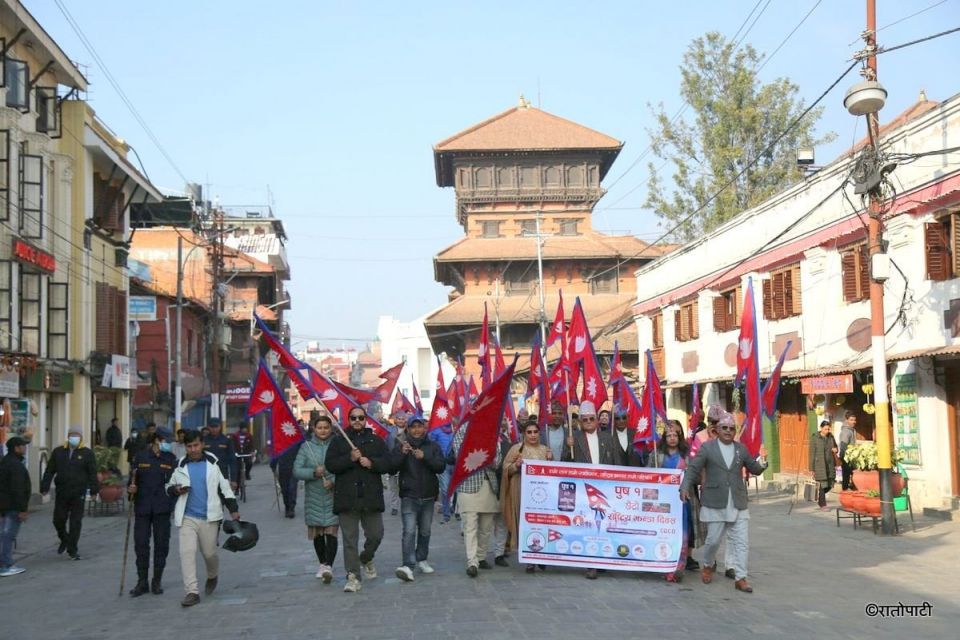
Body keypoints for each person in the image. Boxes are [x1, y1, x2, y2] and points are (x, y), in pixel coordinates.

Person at [680, 412, 768, 594]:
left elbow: (755, 469)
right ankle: (707, 565)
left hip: (737, 502)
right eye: (724, 428)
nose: (728, 431)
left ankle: (741, 577)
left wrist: (763, 459)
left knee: (742, 543)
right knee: (712, 541)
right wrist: (684, 486)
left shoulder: (741, 449)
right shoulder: (707, 448)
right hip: (715, 501)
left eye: (731, 428)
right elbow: (693, 468)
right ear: (717, 430)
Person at [166, 430, 240, 607]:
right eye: (189, 446)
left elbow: (224, 488)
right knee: (187, 553)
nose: (193, 449)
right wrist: (175, 490)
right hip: (187, 517)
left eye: (196, 445)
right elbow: (168, 486)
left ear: (202, 444)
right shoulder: (179, 465)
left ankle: (212, 575)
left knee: (209, 553)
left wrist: (233, 509)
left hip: (210, 517)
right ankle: (192, 591)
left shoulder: (213, 463)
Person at [325, 407, 391, 593]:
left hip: (370, 497)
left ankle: (366, 557)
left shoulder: (376, 441)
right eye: (353, 417)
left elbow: (388, 463)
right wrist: (349, 458)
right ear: (348, 419)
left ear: (366, 419)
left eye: (360, 417)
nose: (357, 420)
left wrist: (372, 463)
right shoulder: (339, 441)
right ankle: (353, 575)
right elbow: (331, 464)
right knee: (349, 539)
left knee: (376, 534)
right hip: (347, 498)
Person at [561, 400, 615, 579]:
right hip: (583, 490)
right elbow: (564, 463)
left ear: (597, 420)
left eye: (592, 418)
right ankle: (590, 563)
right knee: (587, 526)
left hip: (604, 489)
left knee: (603, 525)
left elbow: (616, 464)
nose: (589, 422)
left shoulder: (608, 438)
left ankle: (601, 559)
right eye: (585, 420)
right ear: (581, 422)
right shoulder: (573, 438)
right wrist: (568, 449)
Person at [390, 414, 445, 582]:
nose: (416, 430)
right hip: (409, 494)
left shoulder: (433, 446)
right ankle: (408, 564)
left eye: (419, 426)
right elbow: (391, 468)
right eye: (413, 427)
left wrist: (425, 457)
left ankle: (422, 558)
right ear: (408, 429)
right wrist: (401, 454)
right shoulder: (400, 445)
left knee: (425, 530)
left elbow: (440, 467)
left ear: (424, 428)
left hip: (428, 495)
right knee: (409, 531)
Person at [127, 427, 178, 596]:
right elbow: (132, 481)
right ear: (157, 440)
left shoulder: (170, 459)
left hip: (162, 509)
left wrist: (172, 504)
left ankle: (157, 580)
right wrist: (131, 489)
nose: (169, 444)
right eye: (167, 441)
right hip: (142, 508)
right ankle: (142, 582)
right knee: (141, 545)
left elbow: (174, 484)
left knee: (161, 545)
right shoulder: (141, 457)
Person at [450, 414, 502, 578]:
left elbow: (497, 460)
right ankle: (472, 562)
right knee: (470, 526)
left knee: (486, 527)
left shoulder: (493, 432)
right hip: (468, 485)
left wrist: (484, 456)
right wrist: (483, 455)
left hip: (489, 484)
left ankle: (481, 556)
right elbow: (463, 458)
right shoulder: (462, 431)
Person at [648, 420, 699, 578]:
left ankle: (678, 567)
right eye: (668, 435)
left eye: (674, 435)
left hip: (682, 503)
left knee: (682, 534)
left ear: (679, 437)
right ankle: (663, 563)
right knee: (664, 533)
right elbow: (647, 475)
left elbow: (695, 476)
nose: (671, 438)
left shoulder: (687, 455)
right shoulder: (656, 454)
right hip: (662, 504)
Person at [500, 419, 552, 573]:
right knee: (527, 525)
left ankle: (541, 557)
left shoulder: (545, 450)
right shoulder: (517, 449)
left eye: (535, 432)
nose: (533, 435)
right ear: (524, 434)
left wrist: (551, 460)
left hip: (543, 496)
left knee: (543, 524)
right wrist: (516, 466)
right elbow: (505, 468)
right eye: (529, 432)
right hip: (522, 493)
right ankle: (530, 560)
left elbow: (552, 473)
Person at [39, 427, 98, 560]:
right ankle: (64, 539)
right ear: (68, 436)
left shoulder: (87, 453)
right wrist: (45, 486)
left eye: (77, 435)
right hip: (62, 491)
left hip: (79, 492)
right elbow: (49, 470)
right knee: (58, 520)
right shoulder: (59, 452)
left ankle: (72, 549)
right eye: (72, 435)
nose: (74, 437)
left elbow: (92, 473)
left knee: (75, 522)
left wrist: (94, 490)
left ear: (81, 437)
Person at [293, 416, 338, 583]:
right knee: (318, 532)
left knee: (332, 531)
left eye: (326, 427)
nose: (323, 430)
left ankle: (329, 566)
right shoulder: (306, 447)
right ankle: (322, 563)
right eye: (320, 427)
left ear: (331, 428)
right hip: (314, 496)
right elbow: (297, 470)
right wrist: (313, 473)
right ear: (313, 428)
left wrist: (333, 481)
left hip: (333, 495)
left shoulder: (337, 445)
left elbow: (343, 467)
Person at [0, 436, 30, 577]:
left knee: (4, 535)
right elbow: (18, 488)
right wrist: (22, 509)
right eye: (23, 446)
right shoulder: (15, 465)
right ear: (16, 448)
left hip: (5, 505)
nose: (25, 448)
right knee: (8, 535)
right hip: (12, 506)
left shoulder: (5, 462)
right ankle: (5, 565)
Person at [428, 418, 455, 523]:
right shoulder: (436, 430)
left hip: (456, 463)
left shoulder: (456, 429)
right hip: (444, 463)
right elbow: (431, 445)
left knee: (456, 489)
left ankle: (455, 509)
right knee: (445, 489)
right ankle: (446, 512)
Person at [810, 420, 839, 511]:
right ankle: (823, 504)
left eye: (828, 429)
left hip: (830, 464)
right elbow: (811, 453)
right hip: (819, 464)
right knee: (822, 484)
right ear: (821, 428)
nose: (827, 431)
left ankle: (819, 497)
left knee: (830, 484)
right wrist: (811, 468)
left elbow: (835, 447)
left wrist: (836, 449)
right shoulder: (815, 438)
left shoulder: (831, 437)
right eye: (825, 429)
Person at [203, 418, 238, 491]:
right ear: (208, 427)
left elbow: (232, 461)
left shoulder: (226, 440)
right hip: (206, 473)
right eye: (212, 427)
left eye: (216, 427)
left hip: (222, 473)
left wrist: (233, 480)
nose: (214, 429)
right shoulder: (203, 441)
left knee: (223, 497)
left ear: (220, 426)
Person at [271, 437, 302, 518]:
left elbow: (303, 449)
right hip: (283, 467)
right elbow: (275, 453)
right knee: (284, 488)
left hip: (295, 467)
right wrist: (273, 464)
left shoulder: (296, 437)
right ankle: (287, 506)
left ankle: (292, 508)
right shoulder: (280, 439)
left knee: (292, 487)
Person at [386, 411, 408, 516]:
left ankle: (405, 505)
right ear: (395, 420)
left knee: (404, 486)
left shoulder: (410, 431)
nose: (400, 420)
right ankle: (394, 506)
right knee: (393, 486)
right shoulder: (389, 430)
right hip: (392, 462)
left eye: (403, 418)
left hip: (405, 462)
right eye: (399, 418)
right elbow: (385, 445)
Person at [838, 411, 858, 491]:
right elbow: (843, 446)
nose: (854, 422)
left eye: (854, 420)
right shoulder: (846, 431)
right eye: (851, 420)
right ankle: (845, 494)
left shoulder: (851, 430)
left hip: (851, 457)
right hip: (846, 458)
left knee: (850, 477)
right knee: (846, 478)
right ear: (846, 420)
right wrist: (844, 459)